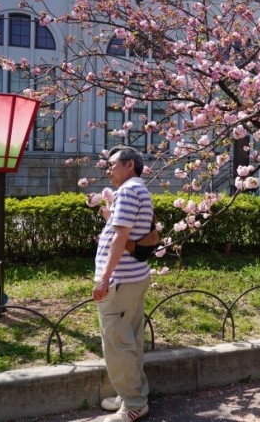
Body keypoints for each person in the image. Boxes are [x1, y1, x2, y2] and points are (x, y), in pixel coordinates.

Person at [92, 145, 154, 422]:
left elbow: (120, 237)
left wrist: (105, 278)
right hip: (132, 279)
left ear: (129, 165)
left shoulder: (129, 190)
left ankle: (133, 404)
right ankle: (130, 394)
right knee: (130, 339)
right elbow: (124, 229)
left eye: (113, 164)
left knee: (118, 343)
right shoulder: (135, 190)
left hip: (120, 281)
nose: (108, 168)